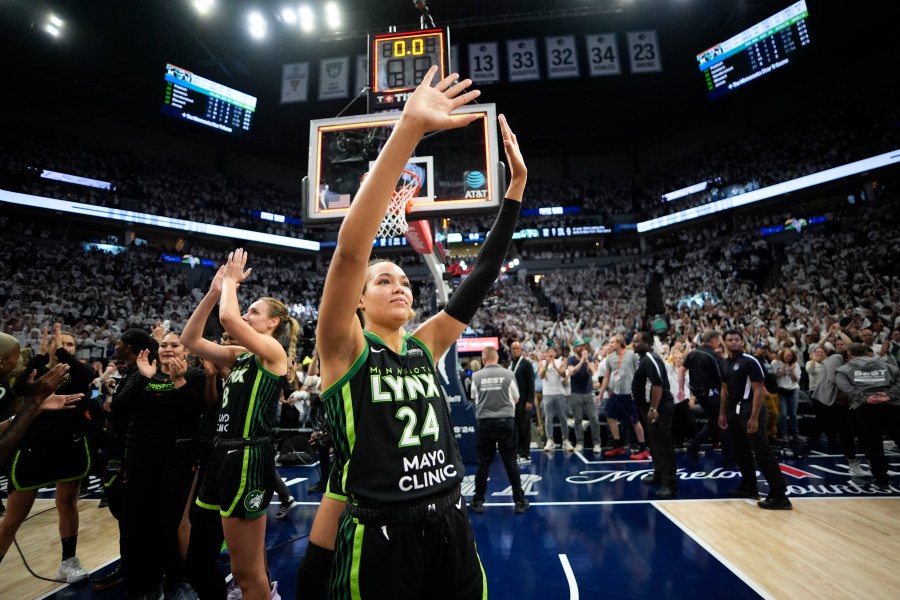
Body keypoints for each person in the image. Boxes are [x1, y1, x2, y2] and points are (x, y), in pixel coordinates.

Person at [297, 66, 523, 600]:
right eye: (383, 280)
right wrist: (409, 131)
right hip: (380, 533)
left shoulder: (424, 346)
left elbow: (482, 275)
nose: (400, 286)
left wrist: (514, 190)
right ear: (357, 299)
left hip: (449, 519)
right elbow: (352, 249)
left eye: (403, 280)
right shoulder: (344, 347)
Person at [182, 251, 299, 600]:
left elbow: (230, 320)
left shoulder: (273, 354)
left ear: (272, 323)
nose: (246, 315)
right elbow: (191, 340)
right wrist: (213, 293)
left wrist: (232, 283)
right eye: (246, 310)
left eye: (255, 312)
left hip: (248, 457)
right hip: (220, 457)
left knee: (247, 575)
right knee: (197, 563)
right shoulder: (241, 356)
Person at [112, 332, 207, 600]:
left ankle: (177, 579)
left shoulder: (196, 376)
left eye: (175, 344)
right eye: (163, 344)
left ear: (186, 350)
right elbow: (119, 411)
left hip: (178, 455)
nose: (168, 348)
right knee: (135, 523)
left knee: (171, 522)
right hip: (140, 455)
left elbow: (193, 412)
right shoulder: (143, 373)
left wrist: (178, 381)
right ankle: (142, 585)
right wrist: (142, 377)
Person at [0, 325, 96, 581]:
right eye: (59, 342)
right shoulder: (38, 371)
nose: (62, 346)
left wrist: (64, 355)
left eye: (70, 344)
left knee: (67, 503)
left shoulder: (76, 369)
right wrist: (41, 356)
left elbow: (86, 375)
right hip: (34, 449)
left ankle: (68, 561)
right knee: (14, 517)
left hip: (69, 447)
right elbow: (21, 386)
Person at [718, 330, 792, 510]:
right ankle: (749, 487)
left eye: (737, 339)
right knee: (741, 451)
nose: (734, 342)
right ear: (724, 343)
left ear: (742, 342)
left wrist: (754, 416)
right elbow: (724, 390)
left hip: (751, 408)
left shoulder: (751, 361)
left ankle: (779, 495)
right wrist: (722, 413)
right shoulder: (725, 363)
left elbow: (759, 390)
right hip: (734, 410)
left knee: (762, 452)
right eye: (730, 340)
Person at [469, 346, 530, 514]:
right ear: (496, 358)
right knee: (510, 462)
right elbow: (516, 398)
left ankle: (478, 500)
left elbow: (474, 397)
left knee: (483, 464)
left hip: (485, 424)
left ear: (483, 359)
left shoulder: (476, 376)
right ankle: (519, 501)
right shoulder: (508, 374)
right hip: (506, 423)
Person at [836, 343, 900, 490]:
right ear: (867, 353)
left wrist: (865, 398)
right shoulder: (887, 365)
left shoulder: (843, 369)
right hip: (892, 405)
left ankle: (881, 480)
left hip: (865, 408)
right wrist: (889, 395)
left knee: (873, 444)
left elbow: (845, 388)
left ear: (849, 356)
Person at [631, 332, 678, 499]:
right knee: (655, 443)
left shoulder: (651, 358)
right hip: (648, 406)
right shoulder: (643, 359)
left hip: (659, 407)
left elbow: (658, 384)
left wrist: (653, 408)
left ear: (647, 342)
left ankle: (670, 484)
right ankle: (659, 473)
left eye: (637, 341)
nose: (633, 343)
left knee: (663, 444)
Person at [682, 331, 733, 465]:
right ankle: (727, 456)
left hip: (700, 394)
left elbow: (682, 370)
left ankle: (694, 445)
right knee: (721, 422)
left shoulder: (692, 353)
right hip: (714, 394)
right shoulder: (714, 355)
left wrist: (682, 390)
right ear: (714, 340)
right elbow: (723, 377)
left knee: (714, 422)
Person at [596, 335, 649, 459]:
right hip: (615, 394)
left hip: (629, 394)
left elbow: (640, 373)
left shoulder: (632, 355)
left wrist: (638, 390)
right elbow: (607, 378)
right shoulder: (609, 358)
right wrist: (600, 393)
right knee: (610, 416)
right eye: (610, 342)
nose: (610, 344)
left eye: (613, 342)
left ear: (620, 343)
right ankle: (617, 445)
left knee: (635, 421)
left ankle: (643, 448)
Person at [566, 338, 600, 453]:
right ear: (575, 348)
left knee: (594, 418)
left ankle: (596, 443)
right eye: (580, 346)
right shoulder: (571, 359)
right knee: (578, 420)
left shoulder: (589, 358)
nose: (582, 348)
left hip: (588, 393)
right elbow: (572, 372)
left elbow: (592, 372)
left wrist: (586, 361)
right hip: (576, 393)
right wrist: (581, 361)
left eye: (583, 346)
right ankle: (580, 442)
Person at [539, 346, 573, 451]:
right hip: (547, 394)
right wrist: (547, 365)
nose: (550, 353)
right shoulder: (542, 362)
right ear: (546, 354)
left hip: (560, 393)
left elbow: (563, 375)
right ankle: (550, 440)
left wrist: (555, 366)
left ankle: (566, 440)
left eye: (552, 352)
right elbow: (541, 375)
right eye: (548, 352)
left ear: (555, 353)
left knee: (563, 417)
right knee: (548, 418)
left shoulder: (560, 362)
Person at [508, 340, 535, 464]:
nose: (515, 351)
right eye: (513, 349)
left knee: (525, 427)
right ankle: (518, 451)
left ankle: (525, 453)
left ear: (521, 350)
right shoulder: (510, 364)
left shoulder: (526, 364)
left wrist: (530, 400)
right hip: (513, 402)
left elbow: (531, 383)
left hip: (524, 401)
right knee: (516, 427)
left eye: (517, 349)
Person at [771, 347, 802, 441]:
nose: (788, 357)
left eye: (790, 356)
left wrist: (791, 370)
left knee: (793, 414)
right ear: (782, 355)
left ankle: (795, 434)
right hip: (781, 390)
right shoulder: (775, 363)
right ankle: (784, 434)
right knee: (783, 414)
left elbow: (796, 380)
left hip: (793, 389)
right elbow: (774, 377)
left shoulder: (795, 365)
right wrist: (784, 369)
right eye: (786, 355)